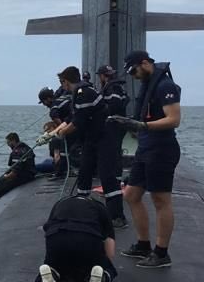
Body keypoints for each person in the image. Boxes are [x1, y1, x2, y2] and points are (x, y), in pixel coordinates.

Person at [110, 50, 182, 269]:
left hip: (161, 149)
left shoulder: (164, 86)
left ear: (144, 63)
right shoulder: (148, 83)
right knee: (131, 195)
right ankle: (143, 244)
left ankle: (161, 253)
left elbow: (174, 119)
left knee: (161, 200)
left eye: (133, 70)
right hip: (146, 147)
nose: (133, 75)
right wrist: (128, 122)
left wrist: (142, 126)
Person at [50, 66, 127, 229]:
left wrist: (62, 133)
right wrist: (56, 130)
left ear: (65, 81)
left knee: (107, 176)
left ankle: (117, 217)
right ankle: (82, 209)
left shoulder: (83, 93)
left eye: (62, 82)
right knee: (84, 173)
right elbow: (74, 117)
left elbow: (79, 122)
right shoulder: (80, 93)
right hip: (91, 140)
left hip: (104, 139)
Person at [38, 194, 117, 282]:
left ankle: (51, 272)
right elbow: (110, 246)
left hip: (57, 236)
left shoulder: (59, 203)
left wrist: (51, 258)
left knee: (54, 265)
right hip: (87, 237)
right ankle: (102, 278)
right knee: (109, 269)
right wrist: (104, 263)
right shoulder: (100, 207)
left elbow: (48, 230)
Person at [97, 64, 129, 223]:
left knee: (107, 170)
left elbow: (114, 106)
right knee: (114, 162)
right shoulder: (120, 88)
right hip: (119, 128)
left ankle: (116, 215)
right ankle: (117, 181)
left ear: (103, 76)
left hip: (111, 130)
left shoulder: (111, 89)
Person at [0, 133, 36, 199]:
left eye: (8, 142)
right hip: (30, 173)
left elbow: (15, 172)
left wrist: (4, 178)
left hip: (23, 177)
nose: (8, 145)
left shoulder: (16, 152)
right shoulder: (27, 148)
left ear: (13, 141)